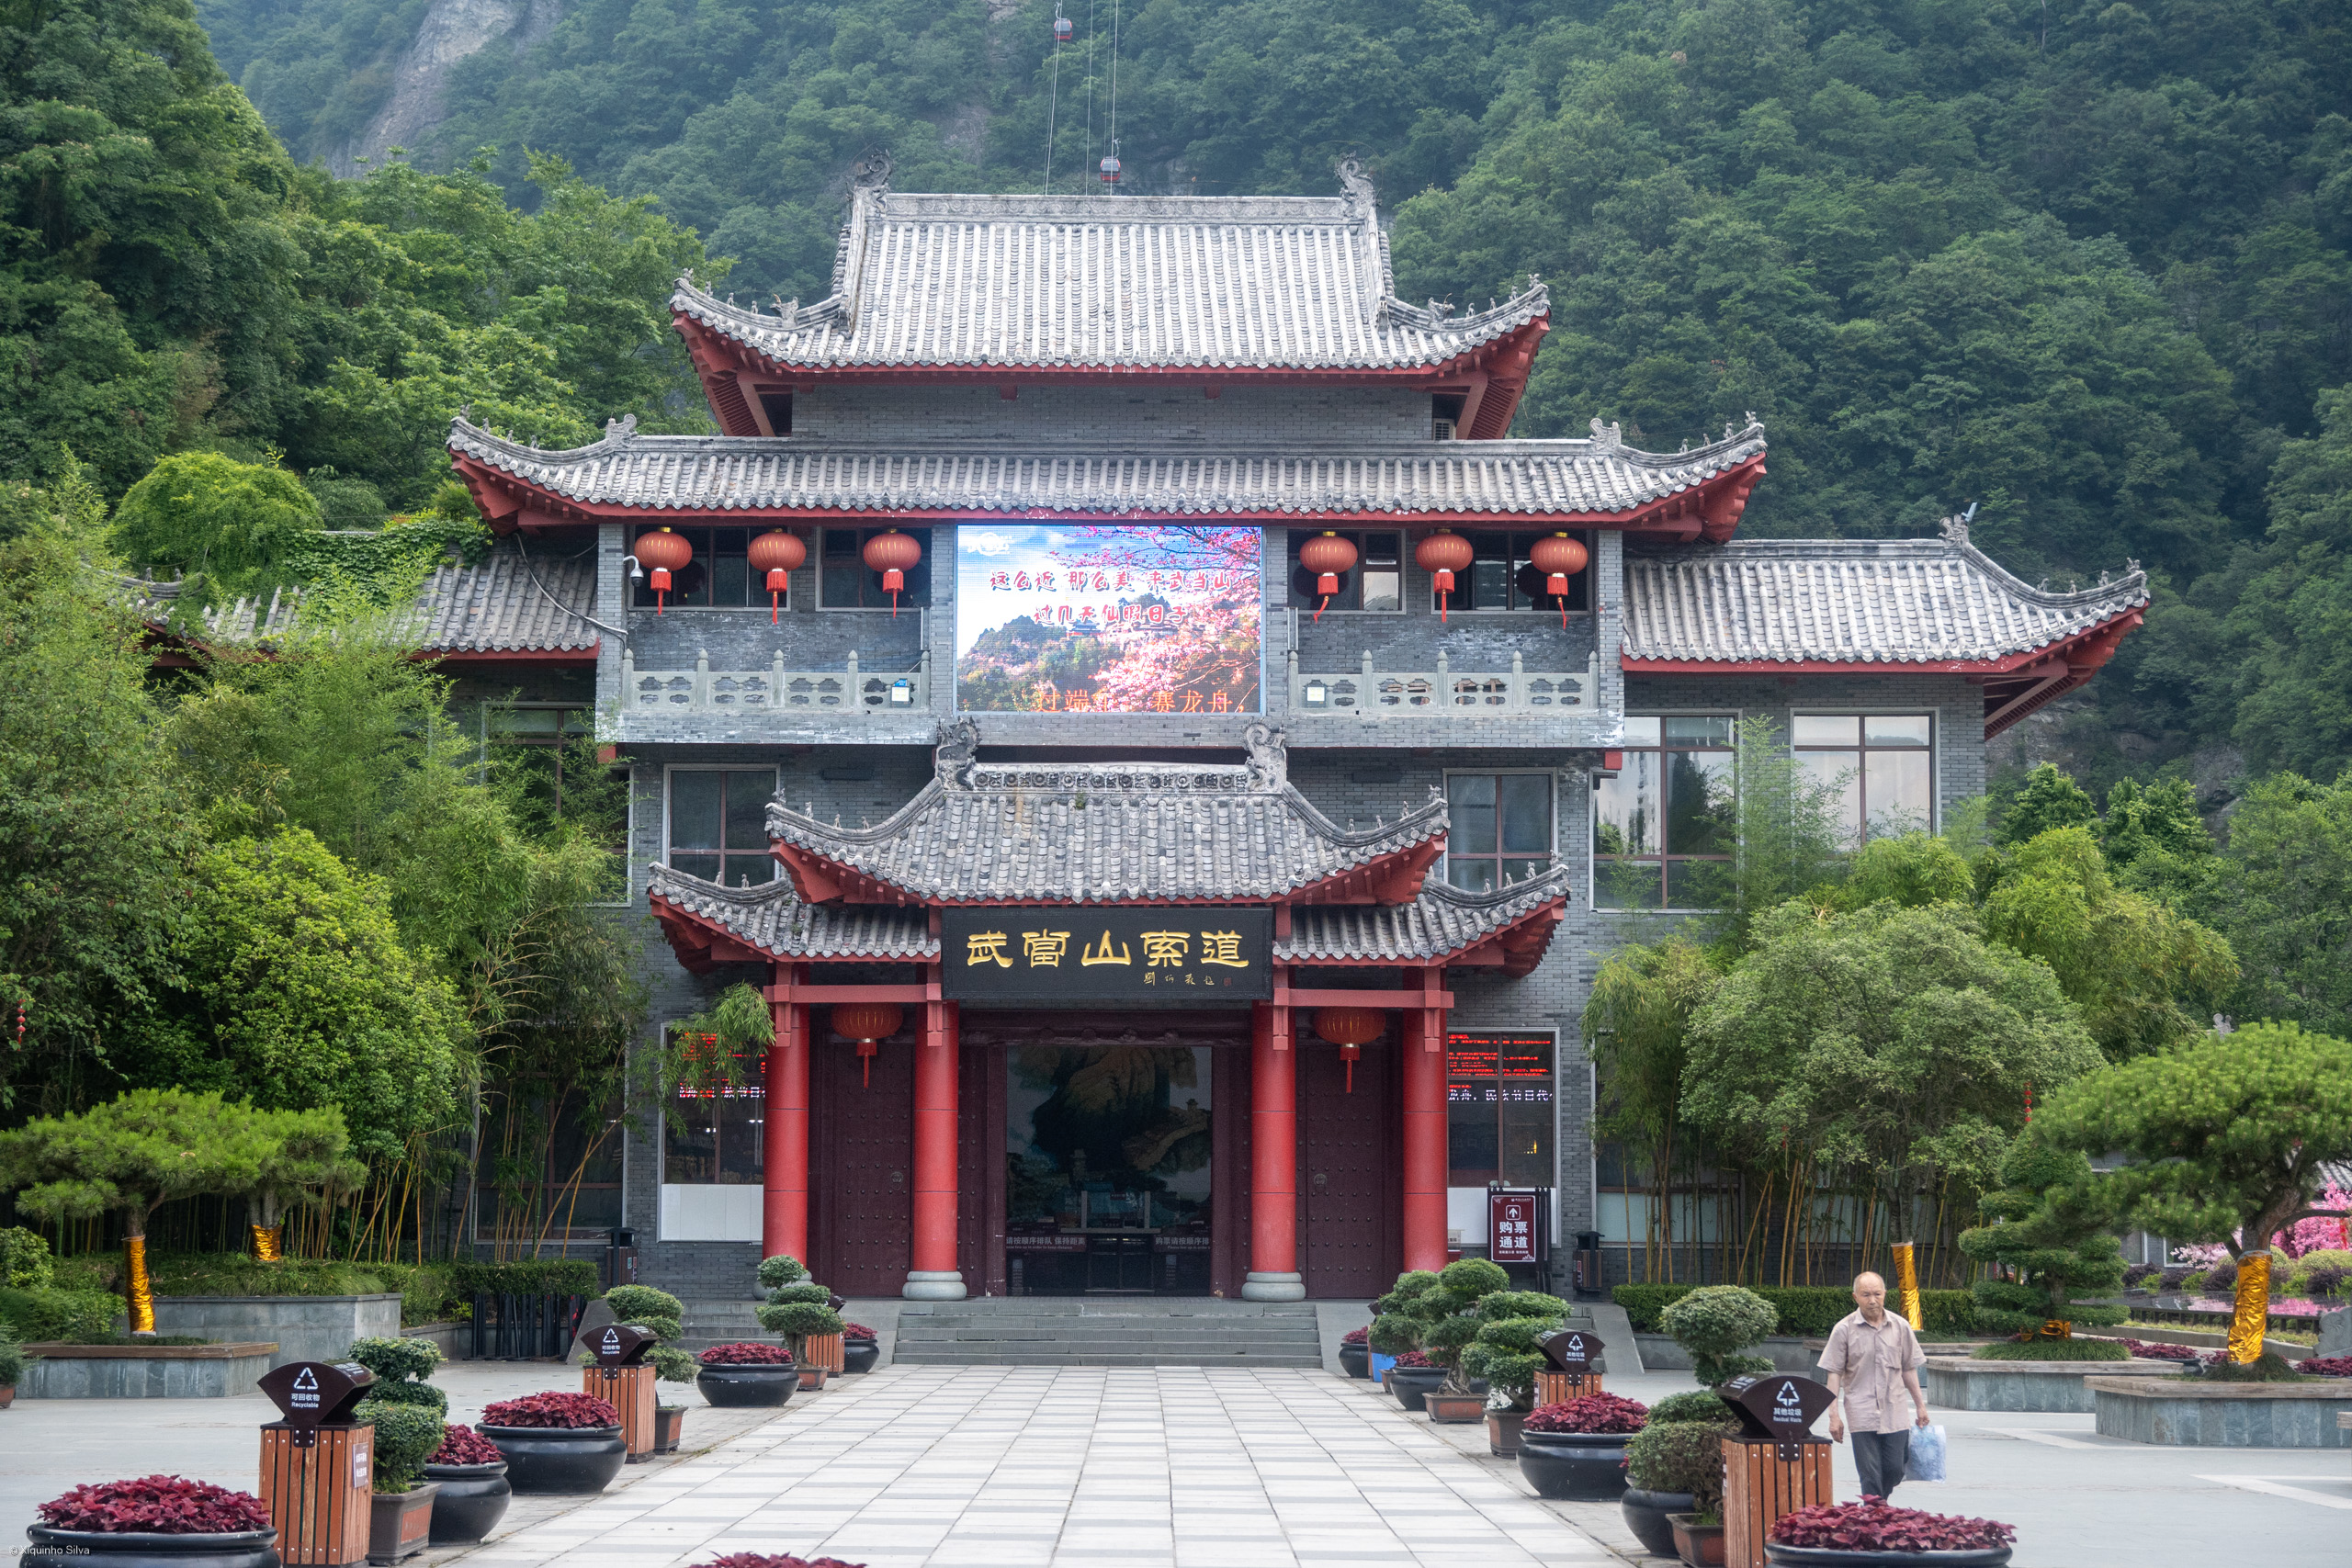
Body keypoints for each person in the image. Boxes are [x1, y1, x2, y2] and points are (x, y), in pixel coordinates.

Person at [1817, 1271, 1929, 1500]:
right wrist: (1833, 1416)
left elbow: (1909, 1368)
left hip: (1895, 1410)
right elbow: (1834, 1374)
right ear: (1855, 1297)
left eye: (1877, 1294)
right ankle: (1875, 1515)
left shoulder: (1900, 1326)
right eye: (1866, 1294)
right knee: (1869, 1474)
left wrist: (1920, 1405)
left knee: (1895, 1469)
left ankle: (1879, 1506)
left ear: (1885, 1294)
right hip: (1861, 1412)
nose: (1872, 1300)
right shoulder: (1844, 1329)